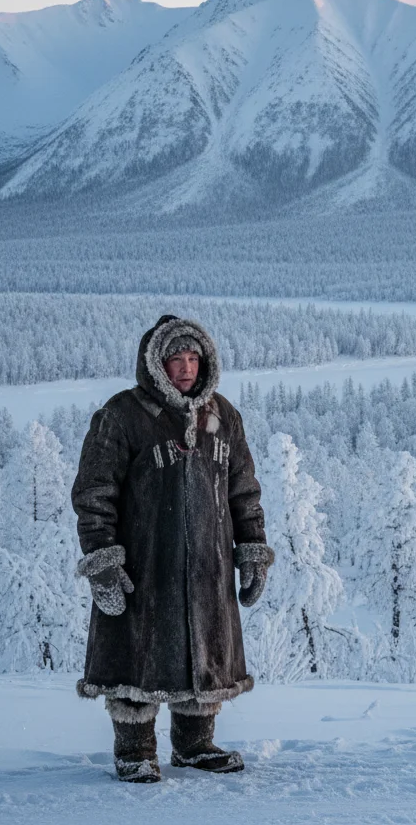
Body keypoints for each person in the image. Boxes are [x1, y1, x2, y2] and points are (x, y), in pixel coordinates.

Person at [71, 314, 274, 783]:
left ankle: (195, 744)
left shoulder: (223, 416)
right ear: (156, 364)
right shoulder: (122, 415)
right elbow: (94, 493)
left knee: (203, 651)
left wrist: (252, 548)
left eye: (192, 358)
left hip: (208, 565)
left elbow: (244, 491)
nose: (185, 368)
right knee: (134, 654)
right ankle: (134, 749)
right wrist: (102, 561)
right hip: (144, 565)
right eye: (175, 359)